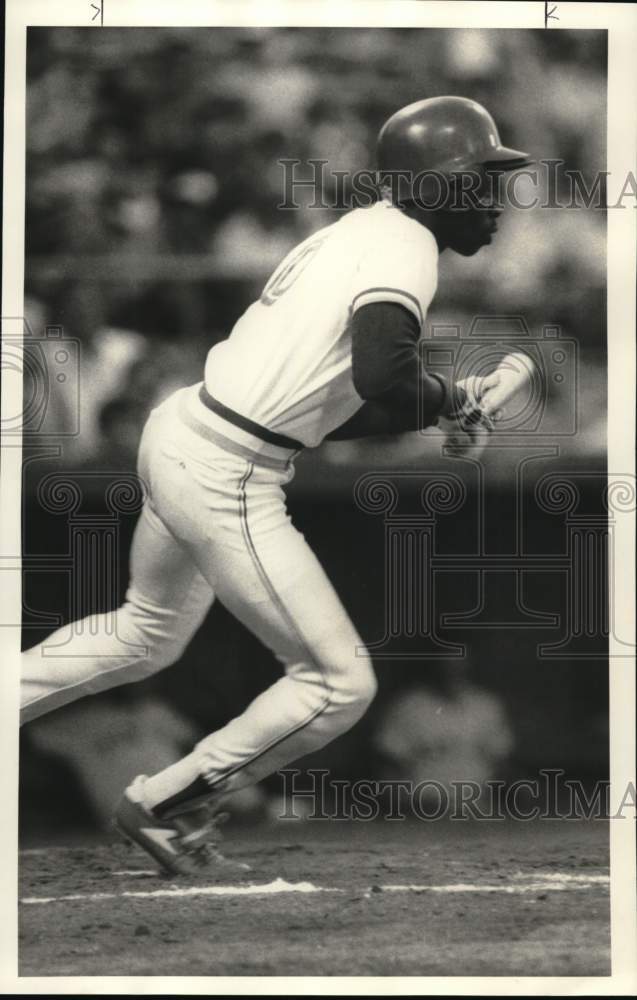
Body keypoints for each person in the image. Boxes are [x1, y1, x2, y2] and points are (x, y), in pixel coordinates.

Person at [21, 97, 531, 875]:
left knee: (142, 637)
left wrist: (438, 408)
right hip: (224, 469)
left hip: (187, 430)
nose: (494, 200)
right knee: (338, 685)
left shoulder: (360, 236)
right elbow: (384, 374)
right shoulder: (405, 248)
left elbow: (326, 411)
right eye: (478, 180)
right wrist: (447, 399)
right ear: (431, 186)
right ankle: (169, 802)